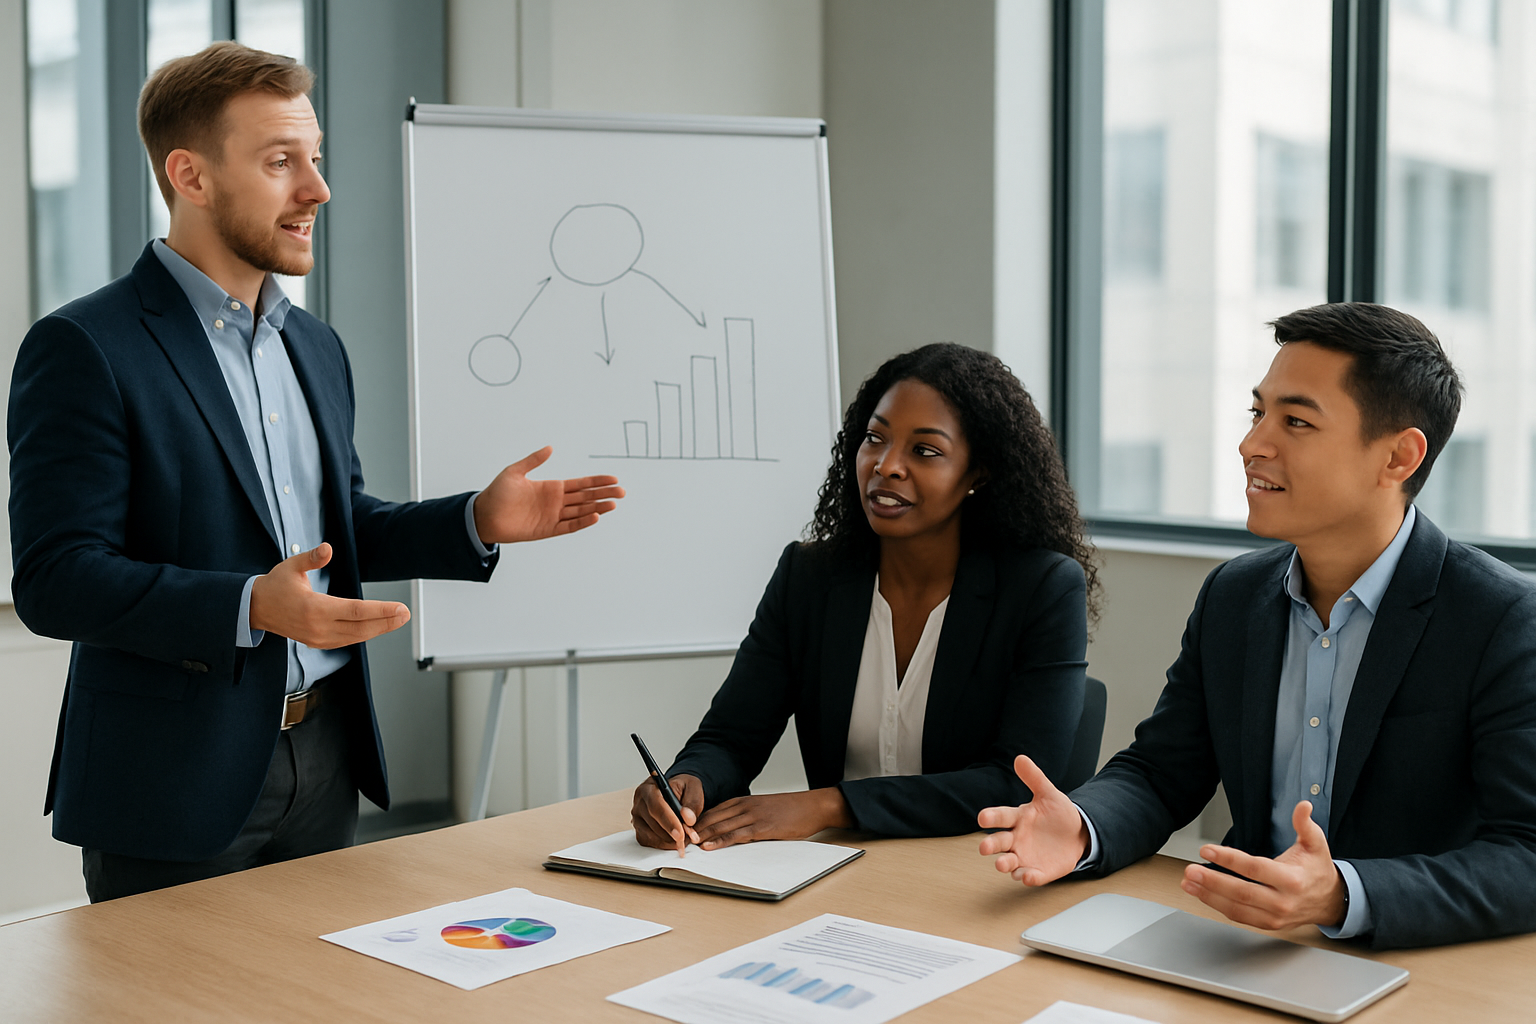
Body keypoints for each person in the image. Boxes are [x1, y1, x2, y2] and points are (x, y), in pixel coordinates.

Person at [8, 42, 624, 902]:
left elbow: (336, 531)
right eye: (280, 162)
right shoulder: (85, 348)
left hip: (325, 759)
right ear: (190, 175)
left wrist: (474, 521)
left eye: (317, 159)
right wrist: (251, 605)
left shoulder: (314, 346)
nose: (318, 190)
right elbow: (54, 579)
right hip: (171, 781)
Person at [979, 302, 1536, 949]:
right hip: (1244, 948)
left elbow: (1526, 849)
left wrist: (1344, 892)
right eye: (1257, 412)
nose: (1251, 444)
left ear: (1398, 458)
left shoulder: (1500, 617)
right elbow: (1162, 771)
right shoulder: (1234, 595)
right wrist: (1083, 825)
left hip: (1418, 967)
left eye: (1295, 421)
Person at [631, 343, 1097, 852]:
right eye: (875, 439)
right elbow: (731, 736)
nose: (887, 465)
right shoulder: (809, 578)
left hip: (979, 874)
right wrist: (688, 782)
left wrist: (832, 805)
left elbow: (1016, 782)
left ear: (978, 473)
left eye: (924, 450)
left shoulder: (1042, 588)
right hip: (838, 873)